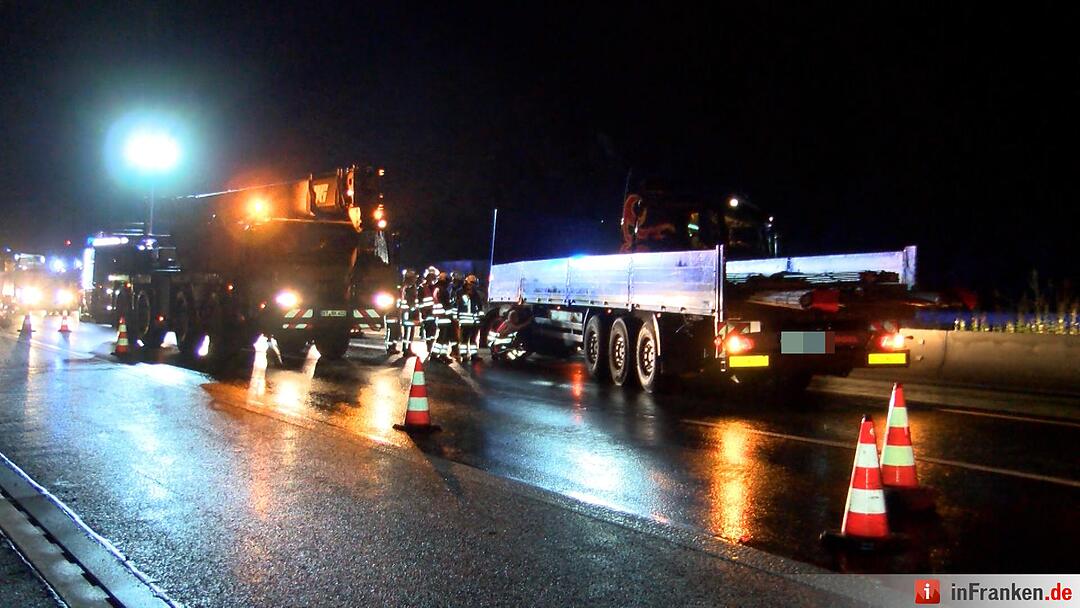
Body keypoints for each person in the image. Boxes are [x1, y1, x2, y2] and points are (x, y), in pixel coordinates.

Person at [455, 274, 485, 362]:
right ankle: (464, 355)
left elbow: (479, 307)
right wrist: (455, 317)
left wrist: (480, 318)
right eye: (471, 283)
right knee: (464, 339)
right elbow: (455, 305)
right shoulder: (459, 292)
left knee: (473, 339)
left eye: (474, 283)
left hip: (474, 321)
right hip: (464, 321)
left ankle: (474, 355)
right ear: (467, 283)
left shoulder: (475, 294)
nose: (472, 285)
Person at [430, 271, 454, 362]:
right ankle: (435, 354)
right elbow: (446, 304)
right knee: (443, 337)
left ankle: (442, 354)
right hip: (444, 317)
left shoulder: (437, 288)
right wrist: (450, 315)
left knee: (444, 337)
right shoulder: (443, 290)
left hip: (440, 316)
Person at [397, 268, 419, 355]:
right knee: (409, 331)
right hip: (408, 313)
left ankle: (406, 348)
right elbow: (410, 301)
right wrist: (413, 308)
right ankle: (407, 349)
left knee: (408, 331)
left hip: (407, 312)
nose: (415, 279)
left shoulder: (406, 286)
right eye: (414, 278)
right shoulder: (408, 287)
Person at [418, 266, 439, 354]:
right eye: (430, 277)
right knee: (428, 329)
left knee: (433, 330)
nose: (432, 279)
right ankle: (429, 345)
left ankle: (431, 344)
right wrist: (422, 311)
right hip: (426, 312)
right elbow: (420, 301)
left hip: (434, 312)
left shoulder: (436, 287)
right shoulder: (422, 287)